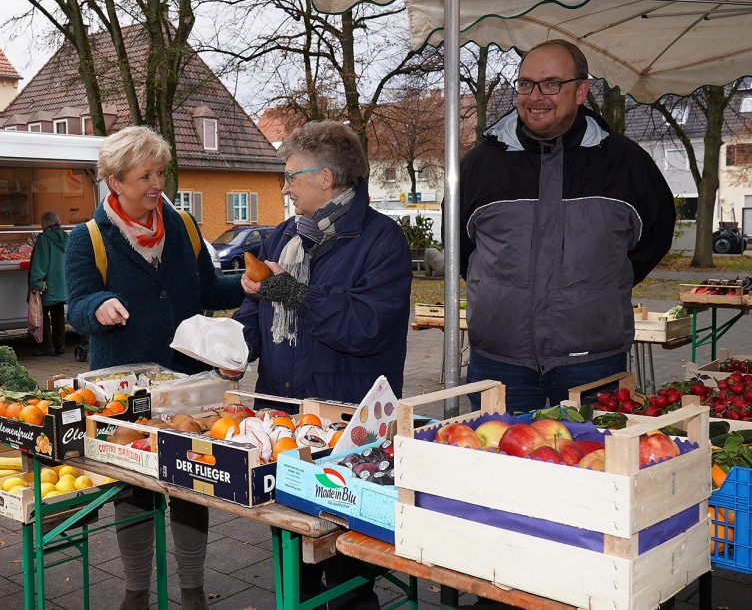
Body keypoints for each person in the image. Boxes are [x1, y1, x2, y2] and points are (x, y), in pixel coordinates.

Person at [232, 120, 412, 609]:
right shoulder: (281, 237)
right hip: (283, 412)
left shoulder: (381, 241)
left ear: (327, 177)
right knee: (292, 547)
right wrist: (233, 349)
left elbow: (365, 328)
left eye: (291, 175)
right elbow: (255, 310)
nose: (285, 187)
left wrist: (288, 289)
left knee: (348, 557)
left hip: (346, 421)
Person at [64, 125, 243, 610]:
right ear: (114, 182)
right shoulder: (90, 238)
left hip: (187, 385)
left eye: (159, 172)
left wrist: (244, 285)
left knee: (192, 481)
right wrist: (99, 306)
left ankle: (192, 591)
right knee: (135, 490)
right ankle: (136, 592)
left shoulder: (183, 226)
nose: (156, 184)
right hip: (126, 391)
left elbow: (207, 289)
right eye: (144, 175)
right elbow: (75, 306)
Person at [460, 39, 676, 413]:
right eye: (525, 84)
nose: (535, 96)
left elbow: (652, 241)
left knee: (594, 465)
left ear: (580, 91)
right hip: (499, 362)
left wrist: (597, 289)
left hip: (592, 363)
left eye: (550, 83)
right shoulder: (481, 165)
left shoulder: (626, 164)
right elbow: (461, 250)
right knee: (496, 466)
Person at [29, 211, 68, 356]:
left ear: (45, 223)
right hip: (61, 284)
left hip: (47, 284)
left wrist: (36, 282)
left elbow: (40, 263)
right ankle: (60, 345)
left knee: (43, 314)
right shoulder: (66, 237)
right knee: (58, 313)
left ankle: (47, 346)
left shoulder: (44, 239)